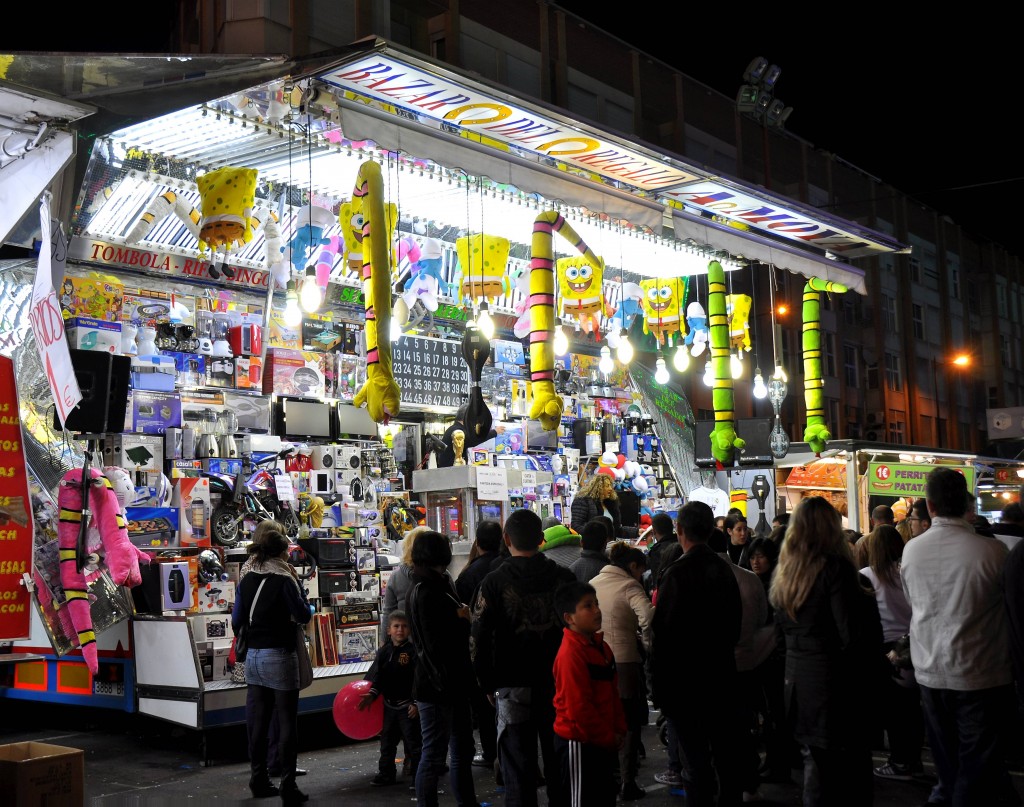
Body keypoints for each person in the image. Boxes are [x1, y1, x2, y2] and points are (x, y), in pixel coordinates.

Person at [901, 467, 1014, 806]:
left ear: (930, 506)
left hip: (930, 671)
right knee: (977, 765)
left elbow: (912, 603)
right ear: (968, 504)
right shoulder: (992, 552)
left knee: (948, 764)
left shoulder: (911, 551)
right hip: (981, 672)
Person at [770, 495, 884, 807]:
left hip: (796, 685)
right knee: (850, 771)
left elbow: (780, 639)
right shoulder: (837, 571)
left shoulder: (785, 576)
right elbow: (852, 634)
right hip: (835, 685)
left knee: (816, 765)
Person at [471, 507, 575, 807]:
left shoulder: (492, 582)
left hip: (511, 683)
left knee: (517, 767)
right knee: (560, 763)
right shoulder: (563, 578)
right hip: (560, 682)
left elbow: (477, 637)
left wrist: (486, 682)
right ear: (542, 539)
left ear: (507, 539)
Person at [650, 501, 742, 807]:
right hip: (721, 677)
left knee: (696, 764)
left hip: (686, 685)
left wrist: (659, 687)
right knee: (726, 759)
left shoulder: (676, 574)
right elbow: (734, 626)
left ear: (679, 531)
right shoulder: (725, 571)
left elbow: (663, 636)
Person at [232, 520, 312, 804]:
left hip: (253, 656)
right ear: (282, 553)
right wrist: (307, 604)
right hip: (280, 654)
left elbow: (237, 619)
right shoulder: (285, 579)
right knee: (287, 720)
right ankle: (287, 785)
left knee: (258, 721)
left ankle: (258, 778)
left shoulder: (247, 578)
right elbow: (303, 614)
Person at [405, 530, 480, 807]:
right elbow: (439, 641)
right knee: (438, 754)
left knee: (454, 750)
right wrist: (462, 620)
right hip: (440, 684)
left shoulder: (427, 584)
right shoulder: (430, 590)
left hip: (440, 682)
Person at [708, 528, 773, 803]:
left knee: (717, 733)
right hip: (748, 664)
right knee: (744, 727)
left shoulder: (700, 579)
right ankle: (749, 782)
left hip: (713, 670)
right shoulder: (750, 579)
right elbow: (761, 620)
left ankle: (724, 787)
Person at [857, 525, 924, 782]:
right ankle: (912, 760)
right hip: (912, 644)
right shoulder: (907, 572)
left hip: (885, 650)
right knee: (912, 710)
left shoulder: (866, 575)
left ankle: (900, 762)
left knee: (894, 712)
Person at [552, 580, 626, 807]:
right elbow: (578, 708)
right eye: (587, 606)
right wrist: (608, 735)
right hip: (579, 742)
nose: (596, 611)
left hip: (601, 741)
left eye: (596, 604)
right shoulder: (571, 655)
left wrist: (618, 729)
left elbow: (612, 693)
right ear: (569, 618)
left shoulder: (601, 647)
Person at [589, 542, 652, 801]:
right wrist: (647, 642)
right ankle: (627, 781)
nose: (640, 577)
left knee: (603, 717)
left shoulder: (593, 583)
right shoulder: (629, 585)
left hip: (596, 659)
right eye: (640, 571)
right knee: (627, 721)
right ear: (633, 566)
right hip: (625, 661)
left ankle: (604, 777)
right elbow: (647, 615)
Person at [453, 518, 503, 771]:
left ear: (478, 542)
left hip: (479, 647)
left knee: (484, 705)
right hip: (506, 648)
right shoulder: (506, 567)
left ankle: (491, 751)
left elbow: (461, 613)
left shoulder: (470, 573)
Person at [359, 609, 422, 787]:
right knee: (387, 743)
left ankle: (419, 778)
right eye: (396, 626)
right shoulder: (384, 652)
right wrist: (372, 694)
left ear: (409, 630)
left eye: (404, 626)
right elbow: (379, 677)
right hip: (389, 707)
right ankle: (386, 774)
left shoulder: (412, 652)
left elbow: (418, 680)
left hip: (407, 707)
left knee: (414, 744)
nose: (400, 630)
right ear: (388, 630)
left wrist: (416, 703)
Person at [383, 525, 431, 624]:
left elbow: (388, 613)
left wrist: (384, 639)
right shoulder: (443, 575)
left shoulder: (396, 577)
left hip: (404, 637)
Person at [435, 402, 502, 468]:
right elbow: (473, 439)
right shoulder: (457, 431)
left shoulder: (454, 428)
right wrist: (494, 432)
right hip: (452, 472)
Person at [643, 512, 676, 597]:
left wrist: (650, 546)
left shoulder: (656, 551)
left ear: (654, 531)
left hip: (664, 596)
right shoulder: (680, 544)